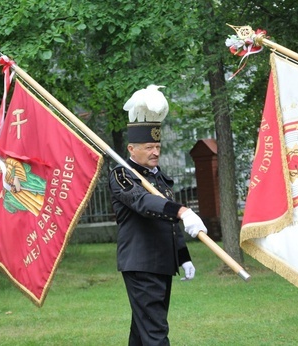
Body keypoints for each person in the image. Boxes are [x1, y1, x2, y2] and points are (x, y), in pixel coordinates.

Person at [109, 97, 208, 345]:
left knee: (143, 332)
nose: (156, 152)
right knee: (155, 332)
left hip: (161, 263)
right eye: (148, 147)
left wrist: (183, 256)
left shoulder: (158, 178)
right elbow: (144, 203)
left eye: (157, 146)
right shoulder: (122, 174)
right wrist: (182, 210)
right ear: (132, 149)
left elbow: (169, 225)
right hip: (141, 264)